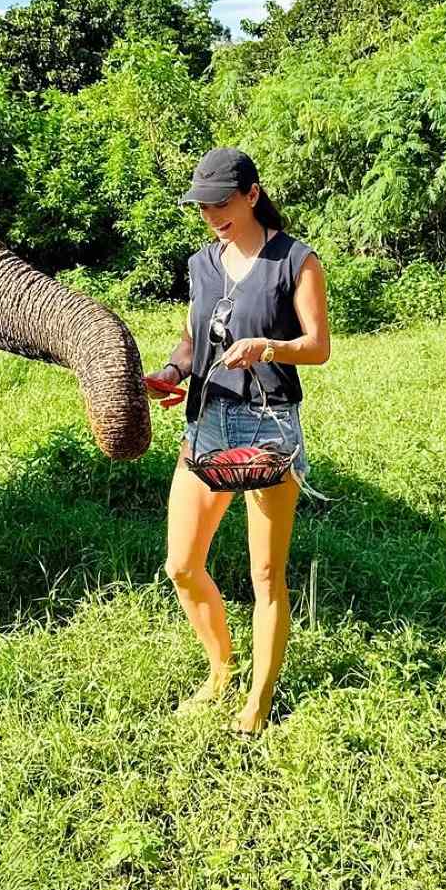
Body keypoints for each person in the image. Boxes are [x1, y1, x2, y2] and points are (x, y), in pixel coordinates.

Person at [146, 148, 331, 734]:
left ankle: (259, 698)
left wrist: (266, 348)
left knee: (266, 577)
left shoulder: (295, 261)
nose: (211, 215)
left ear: (252, 195)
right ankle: (220, 668)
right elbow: (190, 338)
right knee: (181, 564)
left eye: (222, 203)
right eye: (203, 206)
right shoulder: (203, 263)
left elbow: (318, 345)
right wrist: (173, 373)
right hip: (205, 423)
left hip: (266, 427)